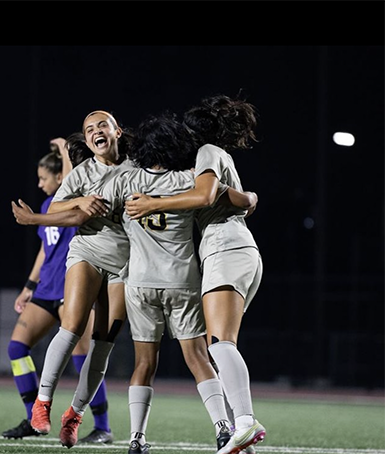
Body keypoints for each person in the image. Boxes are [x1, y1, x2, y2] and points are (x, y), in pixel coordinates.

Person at [125, 94, 266, 454]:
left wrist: (153, 203)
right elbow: (243, 200)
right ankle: (243, 438)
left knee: (220, 345)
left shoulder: (206, 151)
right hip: (242, 251)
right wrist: (249, 197)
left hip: (226, 250)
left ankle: (245, 424)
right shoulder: (220, 156)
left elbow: (204, 196)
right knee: (221, 344)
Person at [100, 112, 234, 454]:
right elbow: (223, 196)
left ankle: (136, 439)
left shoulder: (124, 179)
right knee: (199, 358)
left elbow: (93, 209)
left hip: (140, 283)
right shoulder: (187, 179)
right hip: (181, 280)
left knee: (144, 364)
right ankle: (222, 428)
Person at [29, 111, 135, 449]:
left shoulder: (136, 167)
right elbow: (59, 208)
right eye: (89, 129)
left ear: (117, 130)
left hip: (126, 264)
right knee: (72, 326)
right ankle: (42, 402)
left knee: (103, 345)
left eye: (101, 125)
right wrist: (80, 201)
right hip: (87, 251)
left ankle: (74, 414)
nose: (95, 132)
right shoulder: (84, 172)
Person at [5, 138, 114, 445]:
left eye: (44, 178)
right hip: (46, 289)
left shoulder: (77, 198)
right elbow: (45, 248)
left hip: (73, 287)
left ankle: (102, 427)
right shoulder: (47, 205)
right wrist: (29, 286)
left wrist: (66, 149)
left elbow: (72, 182)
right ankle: (33, 417)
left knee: (83, 357)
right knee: (16, 348)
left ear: (59, 176)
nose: (40, 184)